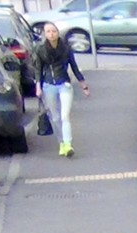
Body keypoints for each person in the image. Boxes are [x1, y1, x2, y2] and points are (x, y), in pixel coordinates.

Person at [29, 22, 87, 157]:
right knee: (55, 118)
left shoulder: (65, 48)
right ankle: (61, 142)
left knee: (65, 116)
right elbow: (38, 69)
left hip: (64, 84)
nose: (51, 34)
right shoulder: (40, 49)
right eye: (48, 31)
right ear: (45, 34)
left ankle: (68, 144)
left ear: (57, 32)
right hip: (48, 85)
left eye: (53, 31)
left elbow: (74, 67)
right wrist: (38, 87)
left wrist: (83, 85)